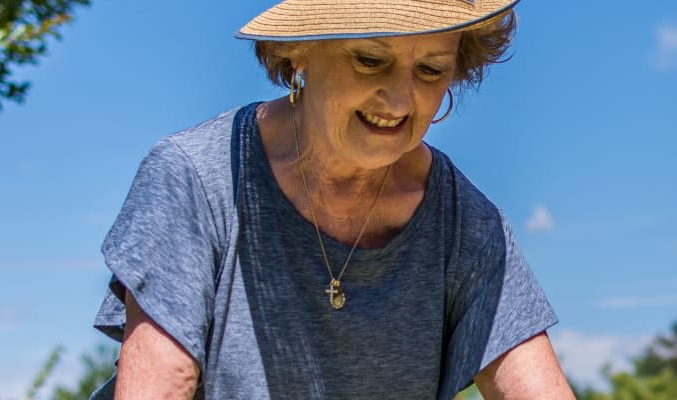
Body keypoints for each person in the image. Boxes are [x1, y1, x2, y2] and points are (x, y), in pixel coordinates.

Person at [86, 0, 571, 398]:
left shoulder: (465, 219)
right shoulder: (194, 175)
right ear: (299, 50)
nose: (400, 100)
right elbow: (162, 385)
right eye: (370, 60)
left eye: (430, 70)